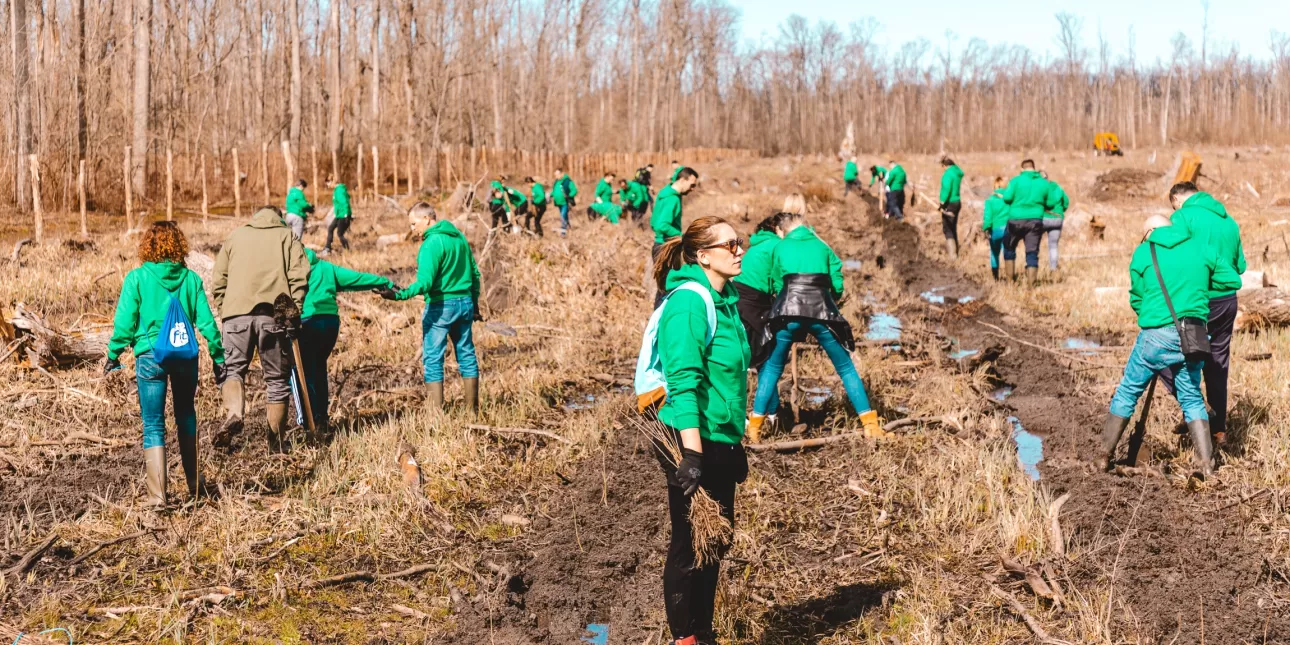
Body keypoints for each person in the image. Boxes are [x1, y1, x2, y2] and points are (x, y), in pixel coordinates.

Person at [650, 216, 749, 645]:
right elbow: (683, 383)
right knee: (690, 543)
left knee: (715, 541)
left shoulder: (725, 300)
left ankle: (703, 632)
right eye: (731, 245)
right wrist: (692, 455)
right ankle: (685, 638)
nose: (740, 249)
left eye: (740, 242)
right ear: (703, 256)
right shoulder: (689, 303)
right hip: (692, 437)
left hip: (720, 434)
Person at [1097, 215, 1231, 478]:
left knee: (1127, 392)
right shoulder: (1200, 247)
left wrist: (1152, 315)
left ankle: (1103, 457)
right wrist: (1197, 290)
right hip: (1192, 335)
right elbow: (1230, 280)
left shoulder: (1144, 251)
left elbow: (1137, 297)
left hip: (1155, 335)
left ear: (1149, 232)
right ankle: (1206, 464)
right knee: (1191, 396)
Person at [106, 222, 225, 506]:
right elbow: (208, 324)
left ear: (148, 246)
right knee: (186, 414)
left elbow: (124, 324)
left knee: (153, 424)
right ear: (178, 246)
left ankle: (157, 496)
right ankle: (195, 484)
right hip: (186, 357)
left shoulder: (136, 279)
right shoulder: (191, 279)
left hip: (149, 357)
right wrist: (219, 358)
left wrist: (113, 354)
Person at [745, 212, 883, 440]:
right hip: (821, 309)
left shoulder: (781, 247)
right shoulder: (821, 245)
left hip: (788, 309)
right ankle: (870, 425)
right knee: (845, 368)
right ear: (803, 225)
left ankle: (755, 428)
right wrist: (833, 298)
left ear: (782, 230)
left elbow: (777, 281)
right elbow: (837, 279)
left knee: (771, 368)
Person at [212, 206, 310, 453]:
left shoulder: (236, 235)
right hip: (273, 316)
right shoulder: (287, 235)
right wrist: (293, 310)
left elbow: (219, 278)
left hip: (235, 315)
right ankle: (275, 445)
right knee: (277, 379)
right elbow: (299, 276)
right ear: (278, 216)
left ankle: (235, 412)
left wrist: (226, 308)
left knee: (233, 370)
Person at [1157, 182, 1246, 449]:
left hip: (1196, 299)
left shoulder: (1182, 217)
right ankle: (1219, 430)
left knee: (1169, 353)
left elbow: (1173, 258)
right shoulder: (1229, 220)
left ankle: (1197, 408)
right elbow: (1240, 266)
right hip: (1227, 300)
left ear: (1176, 199)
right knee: (1217, 362)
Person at [382, 202, 482, 412]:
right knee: (466, 354)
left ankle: (435, 415)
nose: (412, 229)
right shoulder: (459, 238)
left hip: (441, 306)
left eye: (413, 223)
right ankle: (472, 411)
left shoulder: (431, 244)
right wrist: (475, 305)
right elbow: (474, 274)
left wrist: (399, 294)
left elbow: (425, 283)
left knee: (433, 358)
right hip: (464, 304)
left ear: (427, 219)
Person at [299, 248, 397, 436]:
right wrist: (384, 281)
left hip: (307, 323)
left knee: (305, 374)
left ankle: (311, 423)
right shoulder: (325, 267)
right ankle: (322, 419)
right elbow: (356, 278)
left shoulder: (292, 269)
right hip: (330, 324)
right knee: (319, 368)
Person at [731, 213, 785, 441]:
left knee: (749, 357)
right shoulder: (776, 245)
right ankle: (769, 414)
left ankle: (766, 413)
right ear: (778, 228)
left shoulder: (760, 242)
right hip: (754, 302)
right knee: (766, 357)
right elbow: (781, 280)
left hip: (741, 298)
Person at [651, 167, 700, 307]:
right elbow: (662, 225)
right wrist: (682, 236)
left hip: (659, 245)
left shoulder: (664, 193)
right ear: (682, 180)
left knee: (663, 287)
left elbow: (654, 222)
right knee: (667, 289)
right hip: (665, 247)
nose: (693, 189)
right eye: (692, 185)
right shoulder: (672, 199)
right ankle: (661, 322)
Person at [1000, 159, 1052, 283]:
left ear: (1022, 169)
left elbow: (1007, 198)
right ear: (1034, 168)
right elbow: (1050, 203)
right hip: (1035, 221)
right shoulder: (1044, 183)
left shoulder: (1015, 181)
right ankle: (1030, 287)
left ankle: (1010, 282)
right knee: (1032, 252)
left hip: (1015, 221)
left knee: (1009, 247)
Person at [1042, 172, 1070, 277]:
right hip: (1058, 218)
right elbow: (1066, 201)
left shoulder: (1040, 189)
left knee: (1034, 244)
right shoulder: (1057, 187)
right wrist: (1061, 211)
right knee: (1053, 246)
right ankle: (1053, 268)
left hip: (1044, 218)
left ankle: (1032, 265)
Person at [982, 177, 1010, 280]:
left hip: (995, 230)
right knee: (1008, 252)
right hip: (1008, 229)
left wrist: (986, 228)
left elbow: (987, 217)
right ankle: (1009, 277)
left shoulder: (990, 199)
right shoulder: (1009, 199)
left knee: (994, 253)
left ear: (995, 185)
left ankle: (996, 278)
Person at [939, 157, 965, 258]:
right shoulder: (957, 173)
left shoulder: (948, 174)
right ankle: (955, 253)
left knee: (947, 229)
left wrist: (942, 202)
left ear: (945, 165)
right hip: (957, 202)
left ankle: (952, 256)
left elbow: (946, 188)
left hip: (949, 203)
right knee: (953, 227)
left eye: (943, 167)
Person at [325, 179, 353, 253]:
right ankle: (327, 247)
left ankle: (347, 249)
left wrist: (346, 214)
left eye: (328, 183)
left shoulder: (339, 190)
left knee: (340, 233)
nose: (327, 185)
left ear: (332, 182)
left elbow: (344, 202)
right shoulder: (337, 190)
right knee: (330, 228)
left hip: (343, 215)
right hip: (339, 215)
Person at [552, 168, 578, 235]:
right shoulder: (556, 182)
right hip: (558, 202)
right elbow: (554, 191)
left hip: (565, 202)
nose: (556, 176)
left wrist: (569, 196)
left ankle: (563, 231)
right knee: (564, 215)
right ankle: (568, 227)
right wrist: (550, 195)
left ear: (562, 173)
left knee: (563, 215)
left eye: (557, 174)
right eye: (555, 175)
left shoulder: (568, 181)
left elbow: (574, 190)